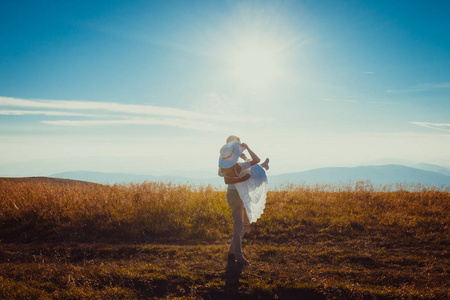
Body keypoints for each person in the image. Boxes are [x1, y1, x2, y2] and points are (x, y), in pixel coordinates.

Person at [218, 136, 269, 266]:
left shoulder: (235, 163)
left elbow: (253, 161)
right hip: (235, 194)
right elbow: (227, 180)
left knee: (246, 222)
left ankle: (232, 250)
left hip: (241, 193)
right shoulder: (228, 165)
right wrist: (247, 147)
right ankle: (238, 256)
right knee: (239, 224)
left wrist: (246, 149)